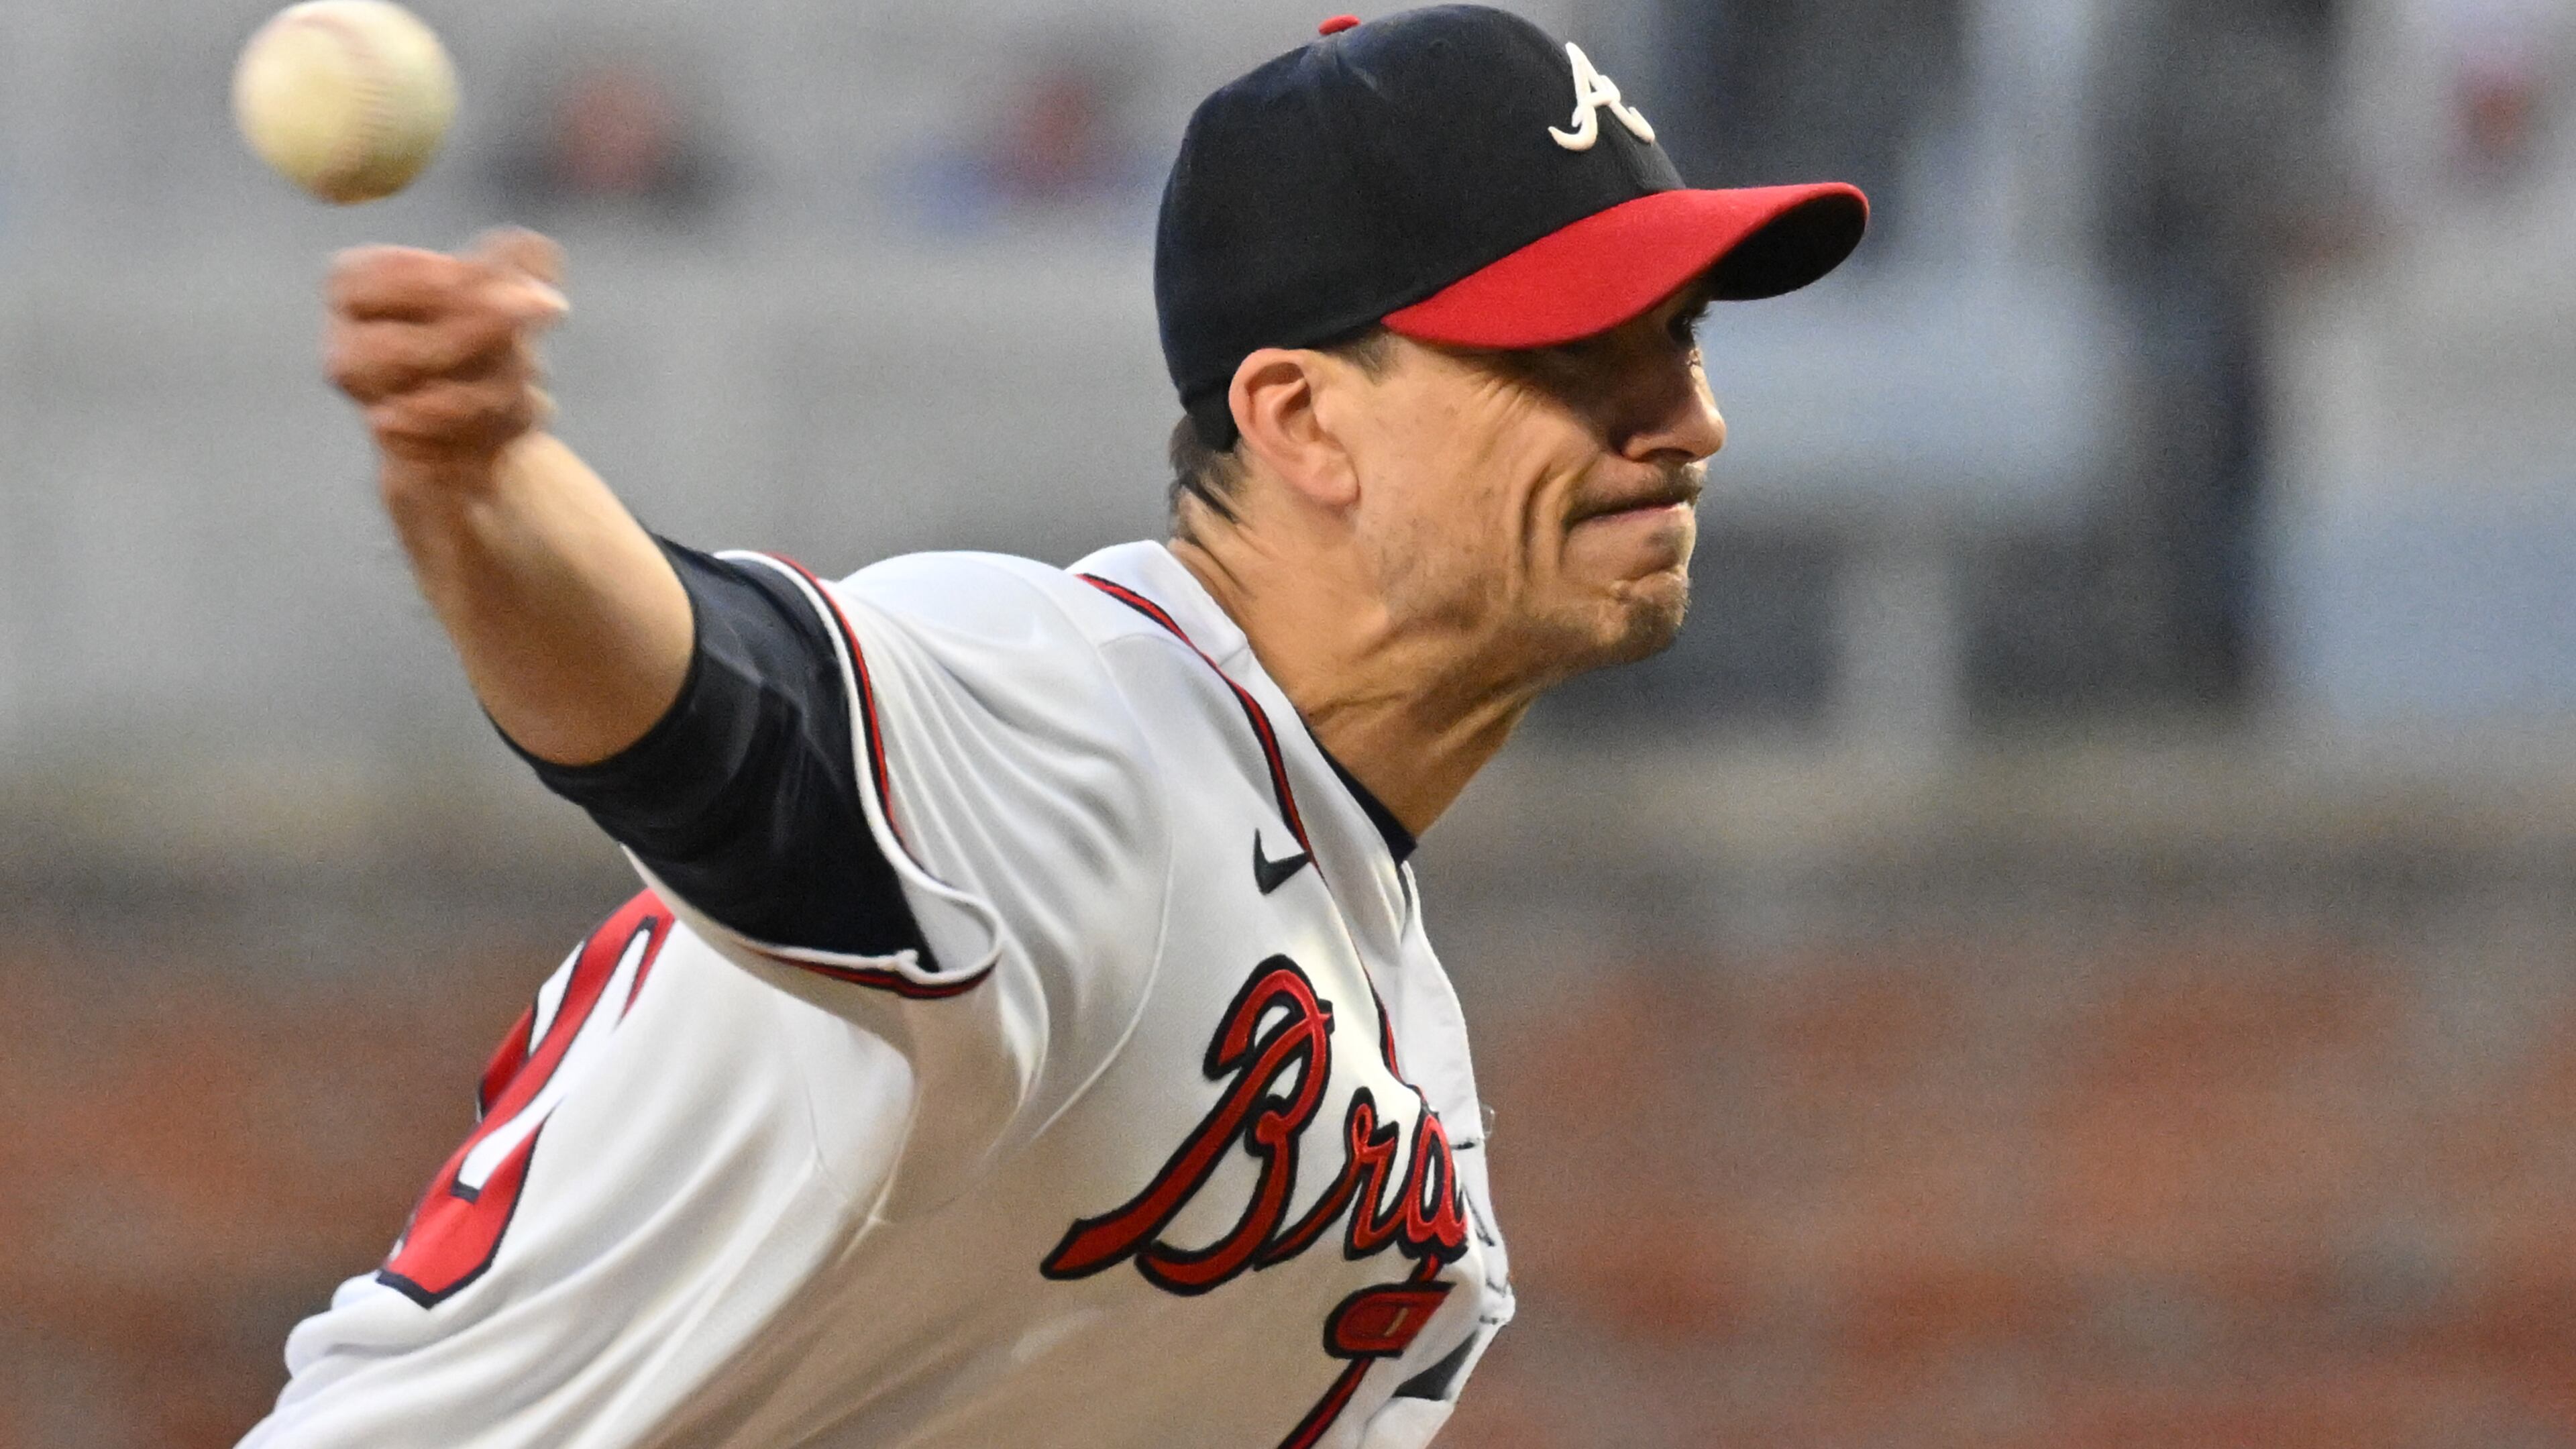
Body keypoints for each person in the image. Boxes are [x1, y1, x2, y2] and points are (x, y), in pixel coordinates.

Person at [240, 7, 1864, 1447]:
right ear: (1302, 419)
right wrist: (488, 483)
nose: (1690, 419)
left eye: (1683, 332)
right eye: (1577, 346)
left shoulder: (1409, 1092)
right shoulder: (1074, 711)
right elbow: (718, 721)